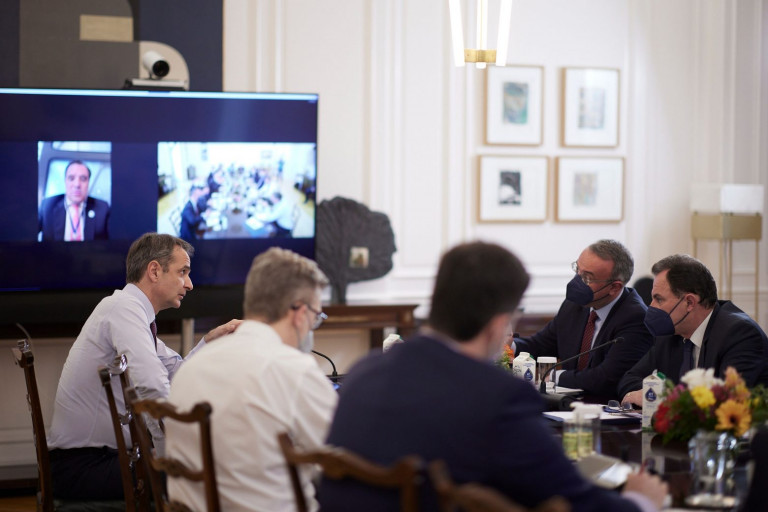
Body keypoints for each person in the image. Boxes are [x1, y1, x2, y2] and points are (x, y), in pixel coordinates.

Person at [319, 241, 668, 512]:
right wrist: (639, 500)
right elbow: (574, 500)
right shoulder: (498, 398)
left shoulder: (364, 371)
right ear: (499, 322)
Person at [46, 233, 241, 500]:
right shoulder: (123, 310)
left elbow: (174, 374)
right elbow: (153, 388)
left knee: (214, 469)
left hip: (97, 460)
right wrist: (173, 453)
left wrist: (209, 342)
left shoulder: (129, 311)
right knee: (215, 476)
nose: (190, 284)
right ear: (154, 271)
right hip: (83, 467)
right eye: (182, 272)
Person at [166, 247, 338, 511]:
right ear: (300, 314)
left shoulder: (191, 367)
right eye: (316, 318)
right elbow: (344, 459)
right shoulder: (293, 370)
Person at [619, 254, 768, 407]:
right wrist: (649, 395)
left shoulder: (740, 335)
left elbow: (725, 402)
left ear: (689, 302)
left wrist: (659, 398)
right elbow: (629, 380)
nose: (651, 306)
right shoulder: (671, 332)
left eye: (659, 299)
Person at [513, 240, 653, 400]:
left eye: (587, 278)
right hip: (566, 406)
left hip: (606, 411)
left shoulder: (636, 318)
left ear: (614, 287)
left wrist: (554, 377)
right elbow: (542, 344)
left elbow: (605, 379)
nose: (576, 282)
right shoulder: (575, 305)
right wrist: (510, 345)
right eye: (577, 270)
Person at [38, 160, 110, 241]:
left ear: (88, 182)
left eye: (83, 179)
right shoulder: (47, 206)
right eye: (71, 178)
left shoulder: (102, 208)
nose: (77, 184)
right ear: (65, 181)